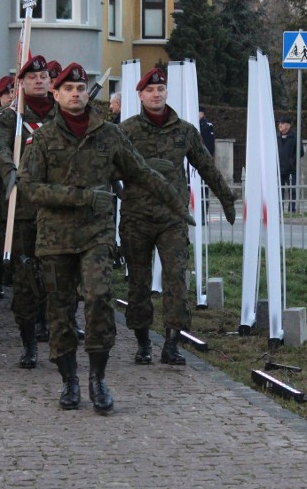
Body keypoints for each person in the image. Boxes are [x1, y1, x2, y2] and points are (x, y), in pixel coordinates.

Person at [17, 62, 195, 413]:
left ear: (87, 94)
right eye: (68, 89)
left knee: (99, 298)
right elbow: (29, 186)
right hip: (55, 238)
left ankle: (98, 378)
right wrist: (80, 197)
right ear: (56, 94)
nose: (76, 94)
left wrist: (176, 203)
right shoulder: (44, 139)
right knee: (60, 309)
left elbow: (141, 172)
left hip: (96, 236)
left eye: (81, 88)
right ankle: (69, 380)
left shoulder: (109, 135)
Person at [119, 68, 237, 367]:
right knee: (139, 281)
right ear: (141, 95)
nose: (156, 95)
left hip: (173, 217)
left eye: (160, 90)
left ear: (166, 94)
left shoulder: (184, 131)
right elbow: (107, 167)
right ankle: (143, 342)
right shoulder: (126, 130)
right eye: (150, 91)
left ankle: (171, 342)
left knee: (176, 279)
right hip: (136, 218)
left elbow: (206, 166)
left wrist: (225, 196)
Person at [0, 55, 59, 370]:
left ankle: (55, 331)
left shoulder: (65, 115)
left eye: (44, 77)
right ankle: (29, 343)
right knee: (26, 279)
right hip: (23, 210)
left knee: (59, 277)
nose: (39, 81)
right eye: (32, 77)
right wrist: (8, 170)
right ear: (21, 83)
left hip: (59, 210)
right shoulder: (6, 119)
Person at [277, 115, 303, 212]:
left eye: (282, 123)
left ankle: (292, 210)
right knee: (280, 190)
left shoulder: (295, 136)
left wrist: (292, 161)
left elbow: (300, 151)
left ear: (288, 125)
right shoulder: (277, 136)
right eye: (279, 123)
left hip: (291, 168)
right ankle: (279, 210)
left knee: (292, 190)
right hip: (279, 168)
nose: (280, 125)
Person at [198, 107, 216, 223]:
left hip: (202, 161)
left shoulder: (207, 126)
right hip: (191, 162)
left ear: (202, 113)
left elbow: (210, 145)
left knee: (203, 189)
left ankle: (203, 216)